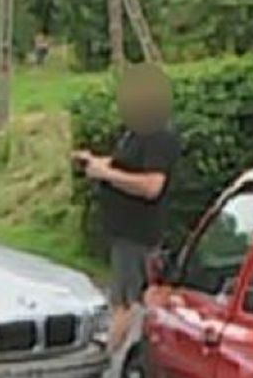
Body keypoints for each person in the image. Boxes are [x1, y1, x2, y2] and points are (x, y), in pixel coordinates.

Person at [74, 63, 180, 354]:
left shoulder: (159, 136)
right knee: (123, 298)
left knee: (128, 303)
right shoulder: (135, 133)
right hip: (122, 232)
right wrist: (97, 162)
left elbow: (151, 185)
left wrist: (106, 174)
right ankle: (119, 355)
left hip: (138, 234)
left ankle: (111, 363)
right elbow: (127, 166)